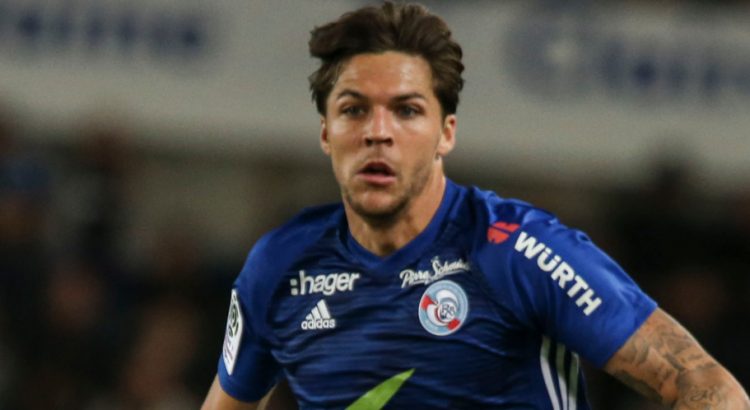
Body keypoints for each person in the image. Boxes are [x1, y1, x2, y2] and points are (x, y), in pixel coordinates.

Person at [202, 2, 749, 409]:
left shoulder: (517, 250)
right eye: (353, 110)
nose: (377, 133)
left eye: (406, 111)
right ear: (326, 133)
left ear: (446, 133)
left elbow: (712, 389)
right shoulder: (280, 265)